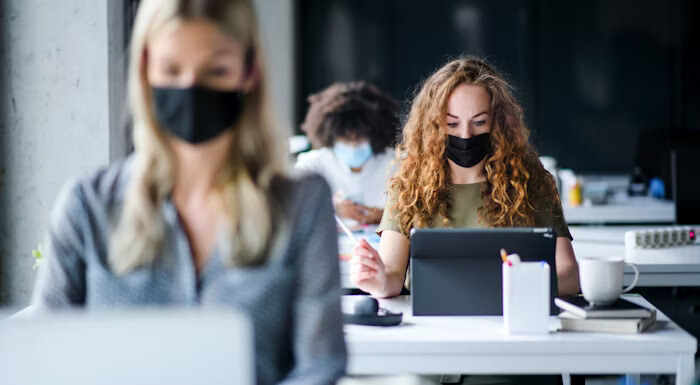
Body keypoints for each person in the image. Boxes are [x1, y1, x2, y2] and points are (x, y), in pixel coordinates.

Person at [31, 0, 346, 383]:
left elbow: (319, 367)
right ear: (146, 68)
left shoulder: (302, 204)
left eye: (216, 71)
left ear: (249, 72)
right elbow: (43, 362)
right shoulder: (88, 206)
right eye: (171, 69)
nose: (191, 89)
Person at [350, 57, 580, 298]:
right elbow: (392, 278)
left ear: (498, 123)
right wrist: (376, 279)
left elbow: (569, 275)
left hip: (512, 324)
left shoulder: (530, 181)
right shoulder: (410, 186)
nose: (466, 134)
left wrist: (517, 285)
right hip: (430, 329)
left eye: (479, 122)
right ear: (433, 125)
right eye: (452, 123)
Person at [296, 82, 400, 225]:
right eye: (345, 139)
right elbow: (292, 208)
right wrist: (331, 208)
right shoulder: (312, 164)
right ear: (331, 135)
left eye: (359, 139)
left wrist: (384, 217)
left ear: (375, 135)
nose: (352, 147)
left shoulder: (397, 163)